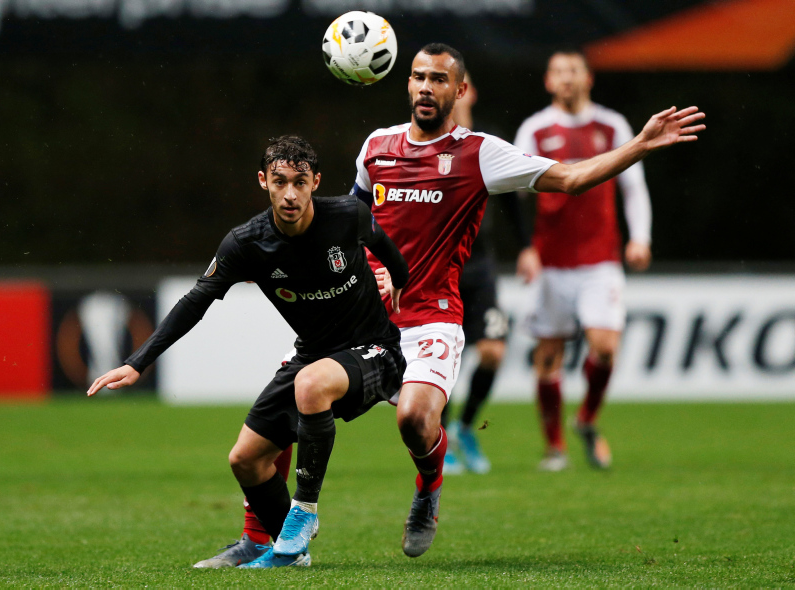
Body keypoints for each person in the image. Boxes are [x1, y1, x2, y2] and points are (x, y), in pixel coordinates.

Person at [352, 42, 704, 558]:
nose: (426, 87)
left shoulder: (480, 152)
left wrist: (639, 146)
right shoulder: (376, 146)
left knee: (415, 419)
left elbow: (571, 178)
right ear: (407, 82)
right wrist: (370, 268)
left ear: (461, 90)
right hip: (371, 318)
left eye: (439, 79)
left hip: (439, 312)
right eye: (418, 76)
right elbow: (354, 222)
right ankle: (272, 532)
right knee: (291, 405)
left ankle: (432, 487)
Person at [87, 135, 410, 569]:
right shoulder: (246, 243)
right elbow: (196, 301)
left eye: (300, 182)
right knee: (246, 460)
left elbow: (392, 255)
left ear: (316, 182)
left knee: (310, 384)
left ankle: (304, 511)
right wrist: (136, 363)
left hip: (374, 350)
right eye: (280, 182)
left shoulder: (348, 214)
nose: (290, 194)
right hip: (314, 355)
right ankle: (286, 552)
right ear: (263, 181)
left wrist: (397, 281)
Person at [513, 49, 653, 472]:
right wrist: (526, 247)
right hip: (551, 261)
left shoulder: (612, 126)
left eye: (574, 70)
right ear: (547, 81)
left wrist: (640, 237)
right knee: (548, 357)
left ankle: (587, 419)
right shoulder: (534, 129)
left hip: (599, 258)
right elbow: (514, 193)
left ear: (589, 78)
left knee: (605, 347)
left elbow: (633, 186)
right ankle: (555, 448)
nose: (566, 78)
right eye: (558, 71)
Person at [440, 72, 530, 476]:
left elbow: (512, 199)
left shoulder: (488, 142)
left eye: (459, 84)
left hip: (480, 265)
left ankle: (464, 427)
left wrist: (527, 247)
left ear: (469, 92)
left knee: (493, 351)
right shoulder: (429, 143)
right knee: (444, 358)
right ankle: (441, 441)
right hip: (439, 268)